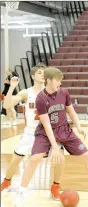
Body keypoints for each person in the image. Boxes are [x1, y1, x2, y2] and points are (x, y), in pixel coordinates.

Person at [14, 67, 88, 207]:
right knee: (34, 159)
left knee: (87, 156)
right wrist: (54, 147)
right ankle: (21, 192)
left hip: (65, 130)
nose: (60, 83)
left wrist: (79, 126)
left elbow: (71, 111)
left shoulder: (64, 92)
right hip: (45, 133)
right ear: (49, 80)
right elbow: (46, 125)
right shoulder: (40, 98)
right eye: (58, 80)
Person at [1, 65, 65, 201]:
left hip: (49, 133)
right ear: (32, 76)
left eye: (44, 72)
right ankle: (7, 181)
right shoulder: (26, 92)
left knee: (59, 158)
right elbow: (6, 106)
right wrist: (12, 87)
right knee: (14, 161)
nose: (42, 74)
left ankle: (55, 186)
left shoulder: (54, 91)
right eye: (39, 72)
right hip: (30, 133)